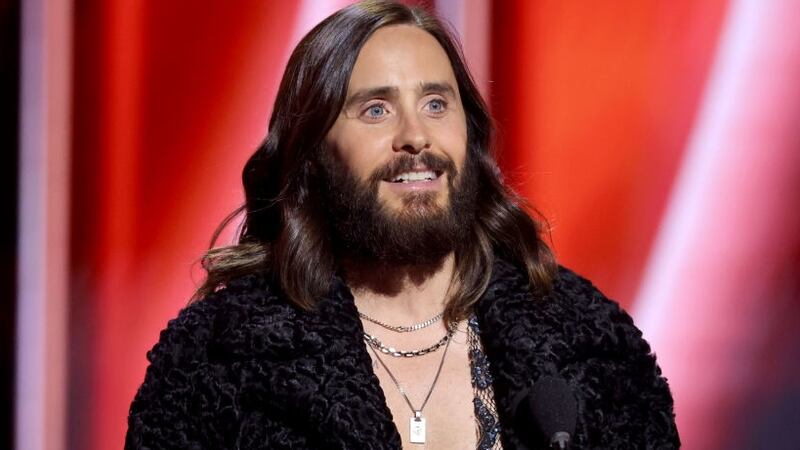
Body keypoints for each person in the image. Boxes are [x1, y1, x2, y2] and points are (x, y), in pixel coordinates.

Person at [126, 1, 679, 449]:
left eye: (437, 104)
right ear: (314, 150)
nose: (416, 137)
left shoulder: (586, 341)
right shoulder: (215, 359)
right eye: (376, 110)